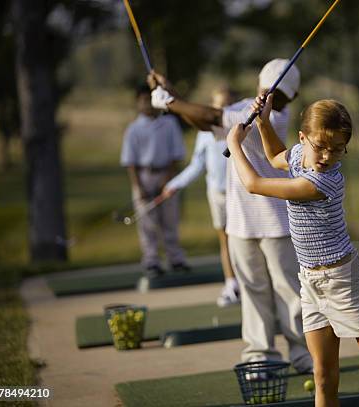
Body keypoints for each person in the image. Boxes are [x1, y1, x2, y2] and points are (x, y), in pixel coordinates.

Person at [226, 95, 359, 407]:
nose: (327, 156)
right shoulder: (303, 155)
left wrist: (235, 144)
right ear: (303, 138)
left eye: (337, 149)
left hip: (344, 283)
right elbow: (277, 155)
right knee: (323, 375)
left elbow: (254, 184)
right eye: (321, 146)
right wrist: (262, 122)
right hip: (310, 283)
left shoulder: (323, 181)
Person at [147, 59, 313, 373]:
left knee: (288, 291)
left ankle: (302, 354)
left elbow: (211, 115)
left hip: (276, 221)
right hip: (240, 221)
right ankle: (260, 355)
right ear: (262, 87)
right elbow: (205, 122)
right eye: (271, 93)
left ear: (290, 99)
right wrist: (170, 94)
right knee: (252, 291)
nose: (275, 100)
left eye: (280, 97)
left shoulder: (274, 117)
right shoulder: (241, 108)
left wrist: (171, 103)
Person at [162, 87, 240, 307]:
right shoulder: (204, 134)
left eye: (226, 105)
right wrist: (174, 184)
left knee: (242, 241)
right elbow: (197, 165)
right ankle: (231, 285)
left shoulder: (238, 128)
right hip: (217, 193)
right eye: (217, 106)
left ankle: (247, 284)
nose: (221, 109)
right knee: (224, 240)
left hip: (240, 194)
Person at [120, 84, 190, 278]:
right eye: (142, 100)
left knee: (170, 220)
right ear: (137, 103)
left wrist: (166, 180)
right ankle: (151, 261)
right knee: (147, 224)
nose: (147, 105)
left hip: (167, 176)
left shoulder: (169, 123)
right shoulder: (133, 129)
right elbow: (130, 163)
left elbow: (177, 155)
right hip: (144, 177)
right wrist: (138, 187)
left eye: (149, 100)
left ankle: (175, 258)